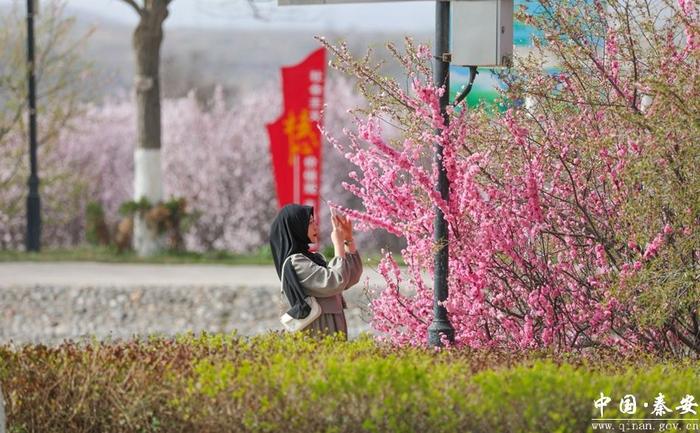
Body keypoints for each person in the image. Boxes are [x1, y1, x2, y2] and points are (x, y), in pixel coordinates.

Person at [269, 203, 362, 340]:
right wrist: (338, 245)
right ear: (296, 227)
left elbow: (351, 277)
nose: (315, 227)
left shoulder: (314, 258)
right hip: (319, 325)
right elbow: (335, 282)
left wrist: (348, 240)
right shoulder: (296, 262)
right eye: (310, 222)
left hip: (332, 320)